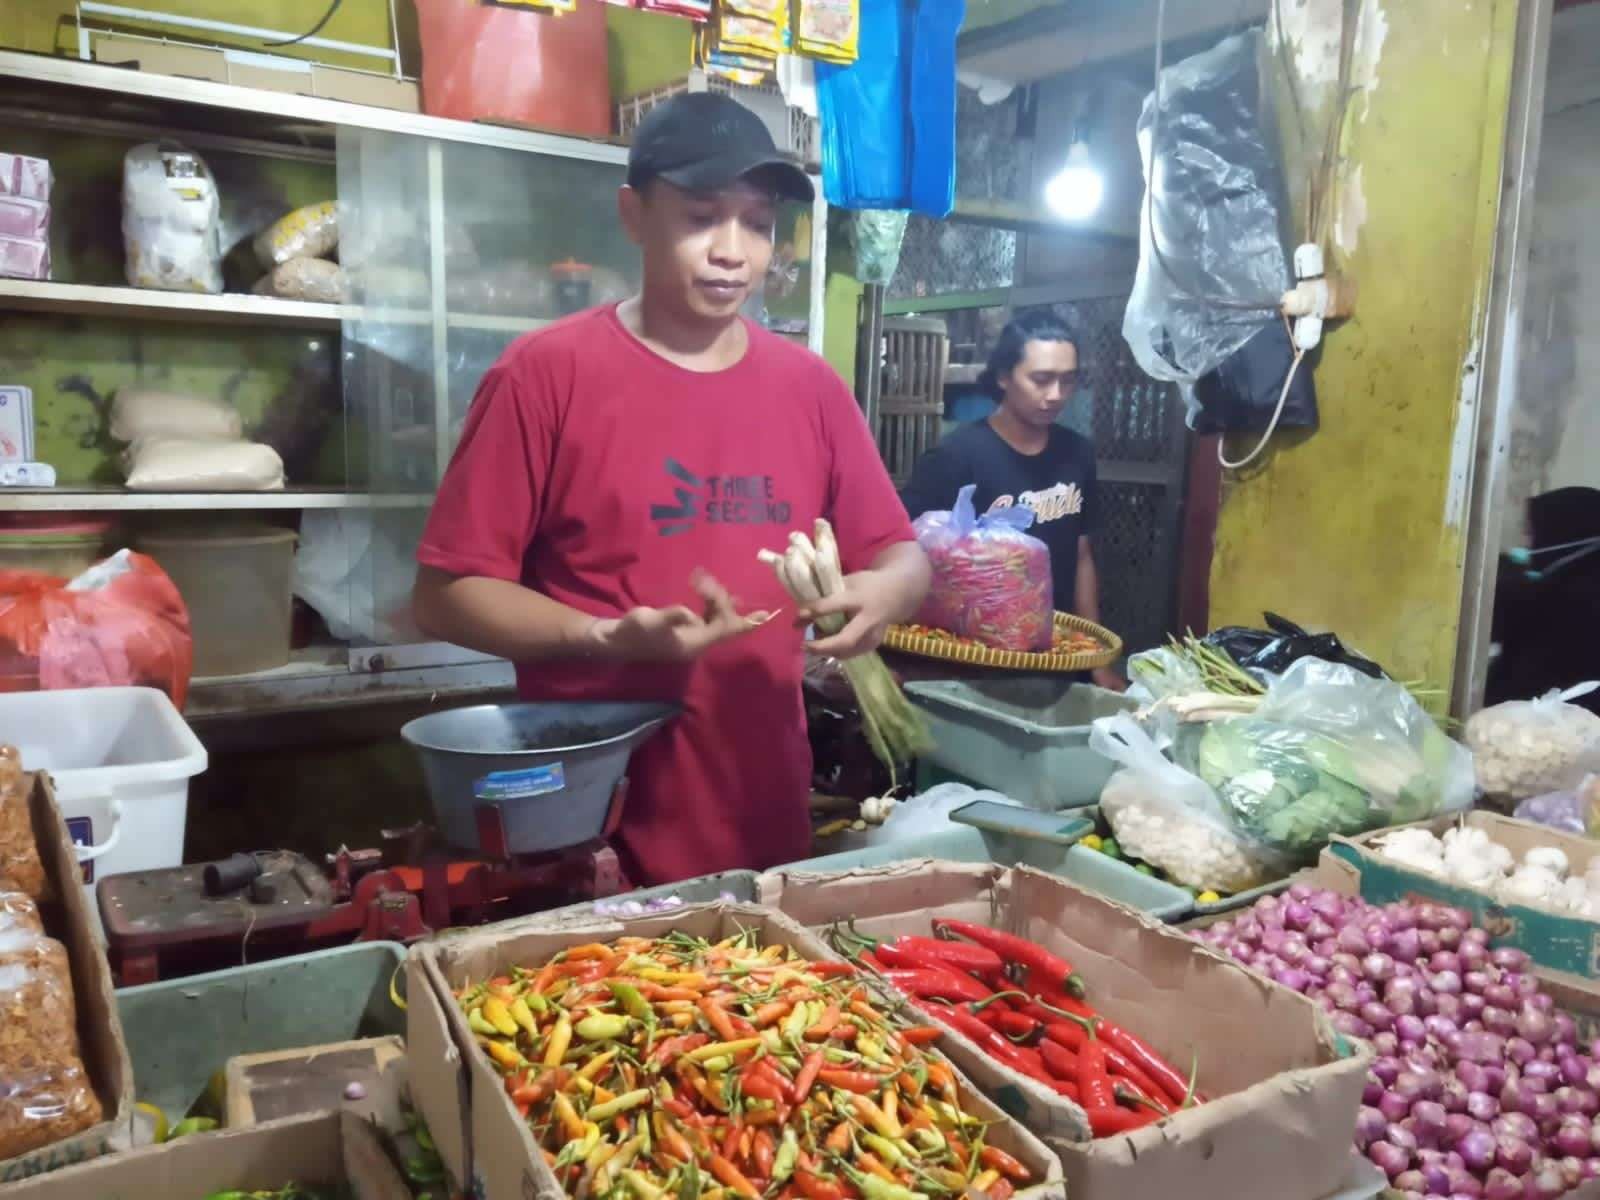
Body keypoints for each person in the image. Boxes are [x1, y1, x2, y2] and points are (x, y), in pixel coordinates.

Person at [410, 93, 930, 886]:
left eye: (757, 223)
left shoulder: (810, 388)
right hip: (588, 831)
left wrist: (883, 594)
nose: (734, 252)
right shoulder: (544, 375)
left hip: (764, 815)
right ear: (633, 214)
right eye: (700, 216)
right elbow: (446, 594)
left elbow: (901, 554)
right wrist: (602, 636)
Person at [899, 309, 1122, 690]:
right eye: (1041, 380)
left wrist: (1095, 658)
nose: (1055, 395)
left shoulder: (1078, 453)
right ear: (1003, 376)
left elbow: (1082, 554)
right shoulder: (956, 457)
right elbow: (906, 556)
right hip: (976, 663)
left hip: (1055, 653)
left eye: (1068, 381)